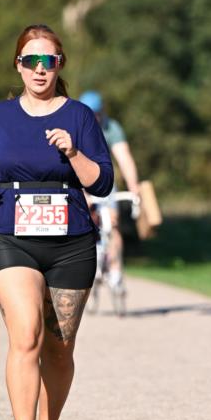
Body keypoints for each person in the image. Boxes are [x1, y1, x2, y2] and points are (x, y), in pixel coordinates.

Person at [0, 24, 113, 420]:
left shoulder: (79, 117)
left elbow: (102, 183)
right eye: (30, 60)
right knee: (26, 333)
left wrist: (72, 152)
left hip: (71, 245)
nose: (38, 68)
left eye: (47, 60)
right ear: (18, 65)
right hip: (10, 238)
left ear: (59, 65)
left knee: (58, 348)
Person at [78, 91, 140, 290]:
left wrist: (134, 188)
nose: (94, 118)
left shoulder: (111, 128)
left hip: (105, 181)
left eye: (96, 114)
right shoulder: (75, 127)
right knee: (84, 220)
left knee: (112, 224)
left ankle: (115, 270)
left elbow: (124, 158)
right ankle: (88, 262)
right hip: (79, 180)